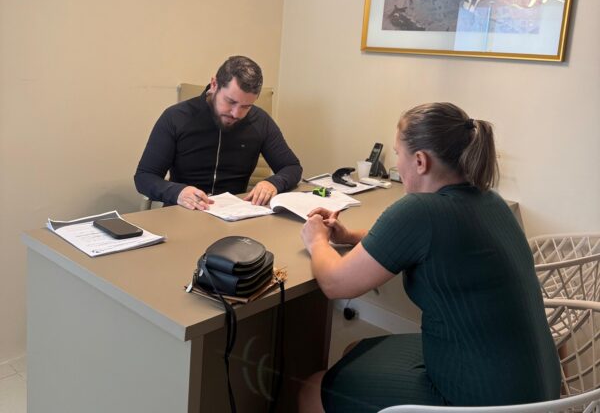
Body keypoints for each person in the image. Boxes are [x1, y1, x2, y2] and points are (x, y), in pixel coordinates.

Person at [299, 102, 560, 412]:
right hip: (536, 389)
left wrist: (316, 240)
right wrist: (347, 236)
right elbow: (407, 239)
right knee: (356, 351)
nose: (397, 163)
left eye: (398, 154)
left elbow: (334, 283)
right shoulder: (491, 200)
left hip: (481, 401)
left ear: (420, 161)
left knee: (311, 388)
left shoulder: (418, 211)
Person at [134, 55, 302, 209]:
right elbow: (144, 176)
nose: (236, 114)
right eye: (230, 102)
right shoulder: (176, 117)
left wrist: (274, 183)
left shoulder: (260, 121)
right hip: (184, 212)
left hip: (235, 214)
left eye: (246, 106)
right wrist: (177, 192)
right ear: (214, 84)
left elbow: (291, 167)